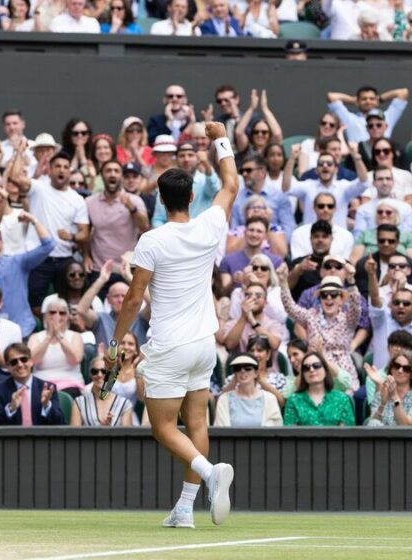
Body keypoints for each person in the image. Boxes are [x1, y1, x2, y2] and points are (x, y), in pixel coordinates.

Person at [104, 122, 238, 528]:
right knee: (196, 423)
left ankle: (212, 472)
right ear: (192, 196)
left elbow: (132, 298)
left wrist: (115, 340)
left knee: (163, 429)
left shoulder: (152, 240)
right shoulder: (211, 224)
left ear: (160, 199)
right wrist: (219, 136)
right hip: (203, 345)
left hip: (169, 347)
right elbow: (230, 182)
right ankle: (184, 509)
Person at [12, 150, 90, 314]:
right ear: (50, 169)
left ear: (70, 171)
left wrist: (72, 236)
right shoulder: (39, 188)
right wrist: (19, 151)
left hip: (64, 258)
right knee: (35, 303)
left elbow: (84, 234)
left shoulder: (77, 199)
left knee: (70, 301)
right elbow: (17, 178)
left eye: (65, 167)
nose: (61, 170)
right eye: (57, 166)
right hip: (39, 256)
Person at [279, 263, 362, 391]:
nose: (329, 298)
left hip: (341, 374)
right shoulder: (311, 316)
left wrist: (351, 281)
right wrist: (283, 282)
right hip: (315, 372)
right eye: (324, 295)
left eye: (334, 294)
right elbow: (290, 308)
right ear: (320, 299)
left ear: (341, 299)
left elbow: (356, 306)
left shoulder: (348, 319)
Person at [0, 221, 54, 339]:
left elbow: (48, 246)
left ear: (2, 242)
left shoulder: (18, 262)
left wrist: (33, 220)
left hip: (23, 331)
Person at [85, 159, 149, 286]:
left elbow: (145, 227)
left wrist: (132, 208)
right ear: (101, 175)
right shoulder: (89, 202)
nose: (112, 174)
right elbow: (85, 233)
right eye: (108, 171)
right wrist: (86, 256)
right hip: (99, 269)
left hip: (127, 270)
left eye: (116, 171)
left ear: (121, 176)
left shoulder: (135, 201)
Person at [282, 142, 369, 228]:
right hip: (310, 237)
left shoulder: (343, 186)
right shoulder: (308, 186)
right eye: (321, 164)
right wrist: (292, 158)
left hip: (338, 238)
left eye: (329, 164)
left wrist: (356, 157)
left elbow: (364, 183)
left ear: (335, 169)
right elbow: (286, 188)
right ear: (316, 170)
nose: (325, 166)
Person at [77, 259, 150, 348]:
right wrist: (101, 279)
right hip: (106, 361)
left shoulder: (140, 319)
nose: (120, 300)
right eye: (116, 296)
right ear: (108, 299)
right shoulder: (101, 319)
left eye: (124, 296)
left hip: (135, 361)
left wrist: (129, 277)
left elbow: (154, 304)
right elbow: (81, 310)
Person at [0, 342, 64, 426]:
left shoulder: (48, 388)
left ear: (31, 362)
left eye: (24, 359)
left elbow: (59, 422)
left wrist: (46, 405)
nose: (20, 364)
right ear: (8, 367)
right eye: (14, 362)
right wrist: (11, 408)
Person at [151, 141, 220, 228]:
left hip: (201, 236)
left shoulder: (204, 180)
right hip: (172, 237)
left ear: (198, 159)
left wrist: (206, 164)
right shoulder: (166, 182)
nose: (186, 159)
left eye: (190, 155)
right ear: (176, 159)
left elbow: (213, 189)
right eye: (182, 156)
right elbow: (158, 219)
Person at [28, 299, 85, 397]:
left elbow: (75, 359)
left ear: (68, 317)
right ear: (45, 316)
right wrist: (48, 337)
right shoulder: (35, 337)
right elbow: (32, 361)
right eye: (52, 312)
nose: (57, 316)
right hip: (41, 384)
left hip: (70, 384)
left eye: (62, 313)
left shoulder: (75, 336)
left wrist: (58, 335)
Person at [230, 154, 295, 238]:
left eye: (248, 170)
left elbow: (289, 229)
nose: (244, 174)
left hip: (274, 247)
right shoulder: (237, 199)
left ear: (262, 172)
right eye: (242, 171)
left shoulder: (279, 197)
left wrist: (270, 246)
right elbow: (234, 232)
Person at [365, 252, 412, 368]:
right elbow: (375, 298)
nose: (401, 306)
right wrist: (371, 274)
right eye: (396, 303)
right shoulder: (382, 320)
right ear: (390, 305)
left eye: (406, 304)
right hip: (380, 381)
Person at [283, 351, 355, 426]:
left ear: (325, 370)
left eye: (316, 365)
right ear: (303, 374)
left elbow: (346, 435)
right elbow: (290, 434)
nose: (311, 370)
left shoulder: (342, 399)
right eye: (306, 368)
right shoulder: (293, 400)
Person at [214, 353, 283, 427]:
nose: (242, 371)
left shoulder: (270, 399)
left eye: (248, 368)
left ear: (256, 373)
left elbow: (275, 430)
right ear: (235, 374)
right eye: (237, 368)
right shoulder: (224, 399)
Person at [219, 216, 283, 293]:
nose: (254, 234)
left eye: (259, 231)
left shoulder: (275, 261)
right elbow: (223, 293)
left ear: (266, 236)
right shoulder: (228, 260)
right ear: (244, 232)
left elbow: (279, 292)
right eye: (251, 230)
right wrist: (234, 281)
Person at [326, 85, 409, 143]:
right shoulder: (350, 119)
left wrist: (379, 99)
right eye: (364, 99)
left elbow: (403, 93)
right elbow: (331, 97)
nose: (368, 101)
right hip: (358, 160)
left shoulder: (387, 117)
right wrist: (353, 100)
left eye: (372, 99)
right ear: (358, 101)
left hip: (382, 155)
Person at [223, 281, 283, 353]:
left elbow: (275, 344)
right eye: (248, 295)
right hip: (242, 363)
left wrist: (253, 322)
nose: (253, 298)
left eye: (258, 296)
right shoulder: (232, 324)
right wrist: (243, 317)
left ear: (265, 302)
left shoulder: (274, 324)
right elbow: (229, 345)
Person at [70, 356, 133, 426]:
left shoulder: (125, 404)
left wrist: (109, 430)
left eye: (104, 371)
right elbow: (74, 434)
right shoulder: (79, 403)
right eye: (95, 371)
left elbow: (126, 435)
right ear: (90, 374)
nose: (99, 375)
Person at [290, 192, 354, 261]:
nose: (325, 210)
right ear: (314, 208)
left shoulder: (346, 236)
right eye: (321, 206)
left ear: (335, 209)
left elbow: (345, 264)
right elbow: (297, 263)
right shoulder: (299, 233)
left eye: (330, 206)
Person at [353, 167, 412, 238]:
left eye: (388, 178)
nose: (384, 183)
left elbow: (409, 237)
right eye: (380, 179)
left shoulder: (406, 208)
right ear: (373, 183)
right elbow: (358, 238)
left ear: (393, 182)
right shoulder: (363, 210)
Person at [288, 220, 333, 301]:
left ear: (331, 239)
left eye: (324, 236)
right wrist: (299, 269)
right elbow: (286, 288)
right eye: (316, 236)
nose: (320, 240)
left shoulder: (339, 265)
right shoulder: (299, 263)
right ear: (310, 239)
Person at [364, 330, 412, 406]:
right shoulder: (373, 378)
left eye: (404, 346)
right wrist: (379, 384)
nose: (399, 349)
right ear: (388, 348)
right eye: (395, 345)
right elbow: (374, 409)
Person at [234, 90, 283, 163]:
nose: (260, 134)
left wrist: (265, 108)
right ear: (251, 134)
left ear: (269, 134)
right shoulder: (246, 149)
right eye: (256, 132)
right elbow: (238, 133)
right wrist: (251, 108)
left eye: (264, 132)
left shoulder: (272, 149)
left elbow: (277, 134)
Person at [366, 350, 412, 426]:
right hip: (382, 437)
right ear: (391, 369)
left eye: (406, 368)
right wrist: (383, 403)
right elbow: (372, 424)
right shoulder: (382, 392)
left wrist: (395, 397)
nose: (400, 371)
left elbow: (407, 426)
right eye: (397, 366)